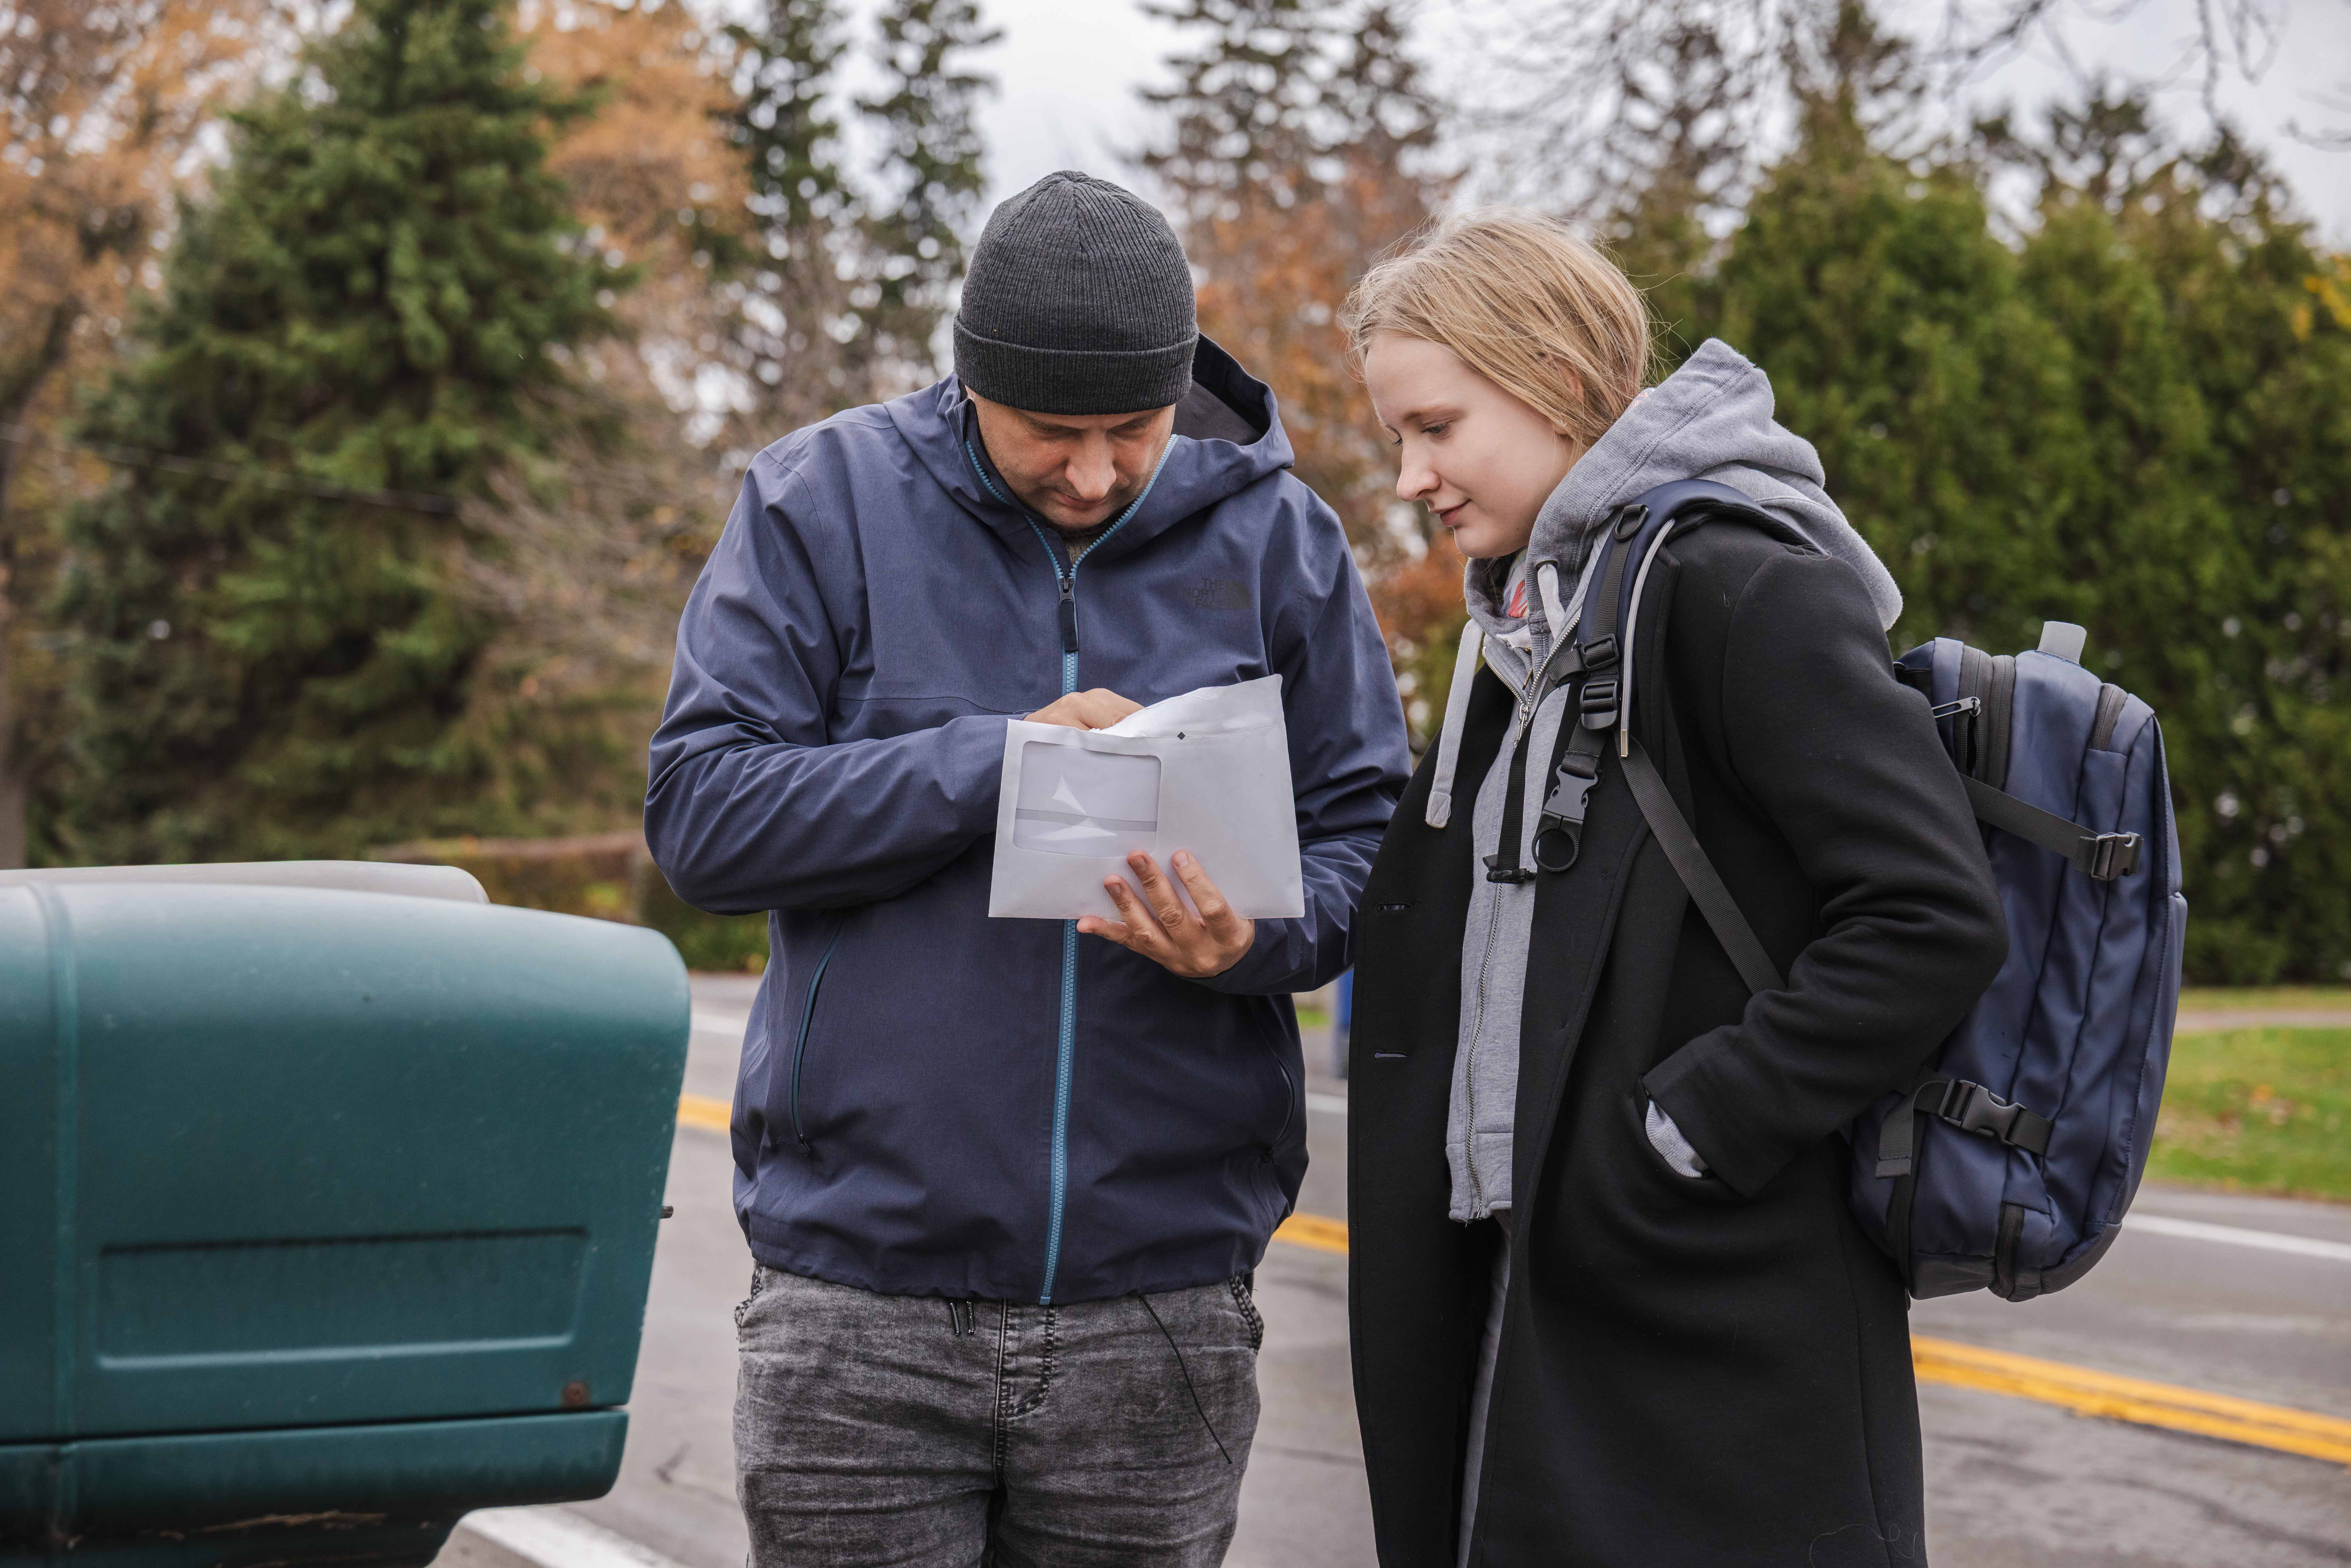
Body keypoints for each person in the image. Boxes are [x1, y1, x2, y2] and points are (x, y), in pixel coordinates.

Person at [645, 170, 1408, 1568]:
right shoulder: (820, 503)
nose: (1097, 470)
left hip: (1162, 1303)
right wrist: (992, 763)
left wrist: (1254, 945)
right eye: (1050, 432)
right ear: (967, 380)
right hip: (856, 1309)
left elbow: (1367, 836)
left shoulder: (1279, 538)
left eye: (1134, 428)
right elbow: (703, 816)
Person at [1341, 209, 2008, 1566]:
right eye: (1397, 436)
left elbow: (1929, 915)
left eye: (1437, 426)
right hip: (1526, 1291)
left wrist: (1681, 1135)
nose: (1410, 475)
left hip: (1708, 1307)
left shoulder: (1737, 583)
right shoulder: (1523, 621)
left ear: (1551, 383)